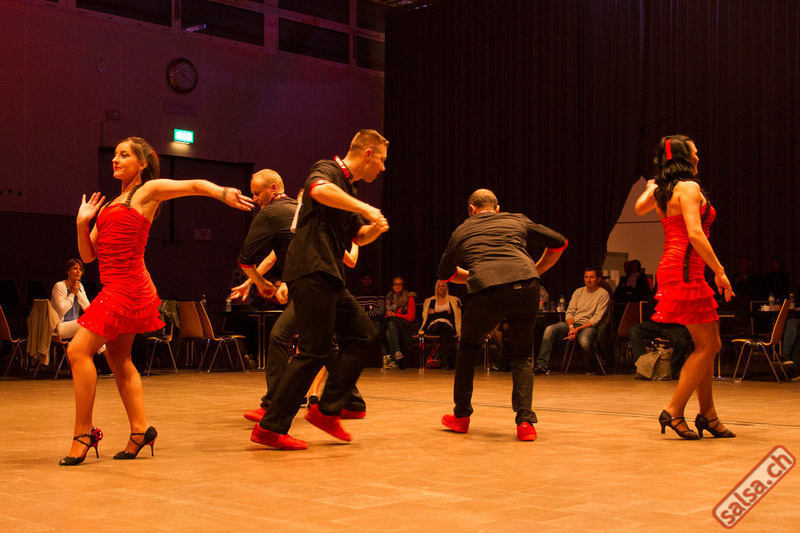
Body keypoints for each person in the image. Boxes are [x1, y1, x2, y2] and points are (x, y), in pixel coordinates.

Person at [61, 136, 253, 466]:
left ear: (142, 163)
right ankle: (140, 431)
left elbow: (193, 185)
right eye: (115, 154)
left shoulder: (147, 191)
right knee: (119, 359)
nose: (116, 159)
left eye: (124, 155)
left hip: (128, 288)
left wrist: (222, 192)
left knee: (78, 351)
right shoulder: (108, 206)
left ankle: (83, 433)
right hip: (116, 287)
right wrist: (82, 223)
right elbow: (87, 255)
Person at [250, 129, 389, 450]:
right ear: (367, 154)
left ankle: (326, 411)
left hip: (328, 274)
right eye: (381, 160)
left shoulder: (348, 190)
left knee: (362, 335)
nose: (383, 168)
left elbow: (357, 237)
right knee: (314, 350)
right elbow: (317, 189)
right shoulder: (327, 169)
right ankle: (273, 426)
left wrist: (375, 229)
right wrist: (366, 208)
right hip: (311, 270)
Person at [437, 188, 566, 441]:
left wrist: (477, 274)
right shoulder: (517, 219)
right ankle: (525, 423)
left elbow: (445, 273)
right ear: (497, 209)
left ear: (471, 210)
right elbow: (559, 242)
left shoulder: (462, 230)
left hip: (486, 292)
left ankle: (461, 417)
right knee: (522, 355)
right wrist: (536, 269)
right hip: (527, 286)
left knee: (468, 350)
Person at [634, 134, 735, 440]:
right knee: (709, 346)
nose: (698, 157)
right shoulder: (689, 187)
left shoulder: (663, 191)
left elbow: (639, 208)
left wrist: (651, 186)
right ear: (683, 158)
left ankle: (708, 414)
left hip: (677, 267)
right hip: (686, 270)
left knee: (708, 344)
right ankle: (674, 410)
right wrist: (720, 271)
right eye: (694, 153)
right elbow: (695, 233)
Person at [535, 268, 610, 374]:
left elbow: (596, 318)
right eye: (586, 277)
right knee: (549, 329)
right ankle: (542, 366)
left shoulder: (603, 294)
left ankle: (592, 365)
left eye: (592, 277)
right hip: (573, 324)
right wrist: (571, 327)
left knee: (584, 341)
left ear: (598, 279)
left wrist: (577, 329)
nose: (588, 280)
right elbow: (570, 312)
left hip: (588, 326)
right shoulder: (578, 292)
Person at [629, 293, 693, 378]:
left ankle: (673, 370)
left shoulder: (683, 289)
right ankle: (643, 367)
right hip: (657, 324)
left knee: (682, 341)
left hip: (676, 325)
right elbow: (651, 305)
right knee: (635, 331)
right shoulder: (660, 288)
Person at [418, 280, 462, 369]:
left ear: (446, 288)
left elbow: (453, 316)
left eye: (443, 286)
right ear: (436, 288)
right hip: (434, 325)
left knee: (444, 331)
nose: (441, 288)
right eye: (439, 286)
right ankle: (453, 359)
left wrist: (435, 313)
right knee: (443, 328)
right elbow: (429, 317)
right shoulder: (431, 301)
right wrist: (445, 312)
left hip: (448, 325)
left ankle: (445, 361)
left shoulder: (452, 300)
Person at [50, 259, 91, 340]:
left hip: (73, 325)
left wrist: (77, 292)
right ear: (68, 271)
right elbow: (61, 310)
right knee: (86, 323)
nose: (78, 272)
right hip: (59, 327)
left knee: (94, 321)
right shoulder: (59, 286)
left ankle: (103, 348)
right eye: (75, 268)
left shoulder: (80, 286)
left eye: (80, 269)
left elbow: (88, 309)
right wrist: (72, 294)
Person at [382, 276, 416, 369]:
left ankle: (394, 359)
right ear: (392, 286)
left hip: (404, 325)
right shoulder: (389, 298)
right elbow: (386, 315)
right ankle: (397, 354)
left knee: (390, 327)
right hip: (392, 326)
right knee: (389, 328)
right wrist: (390, 314)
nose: (397, 286)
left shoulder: (409, 297)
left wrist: (395, 315)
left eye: (400, 284)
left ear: (403, 286)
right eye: (395, 284)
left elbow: (411, 317)